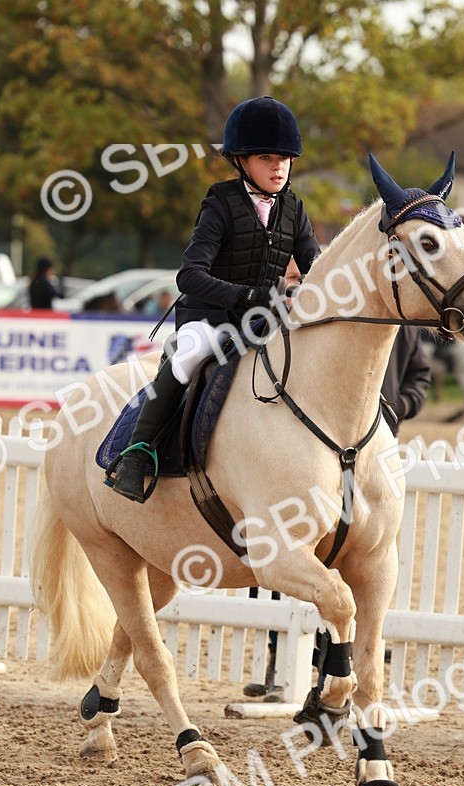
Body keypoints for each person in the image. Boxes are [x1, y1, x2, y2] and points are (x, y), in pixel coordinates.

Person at [108, 96, 321, 501]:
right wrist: (248, 295)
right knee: (188, 353)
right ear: (240, 160)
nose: (278, 167)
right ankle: (137, 452)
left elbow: (316, 266)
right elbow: (189, 275)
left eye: (285, 158)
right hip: (210, 319)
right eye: (266, 157)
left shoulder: (294, 208)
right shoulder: (220, 202)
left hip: (263, 320)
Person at [245, 327, 432, 699]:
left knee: (361, 564)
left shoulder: (402, 332)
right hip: (317, 448)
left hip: (372, 450)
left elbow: (421, 377)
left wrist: (394, 407)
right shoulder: (334, 327)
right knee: (295, 563)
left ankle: (335, 669)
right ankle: (275, 658)